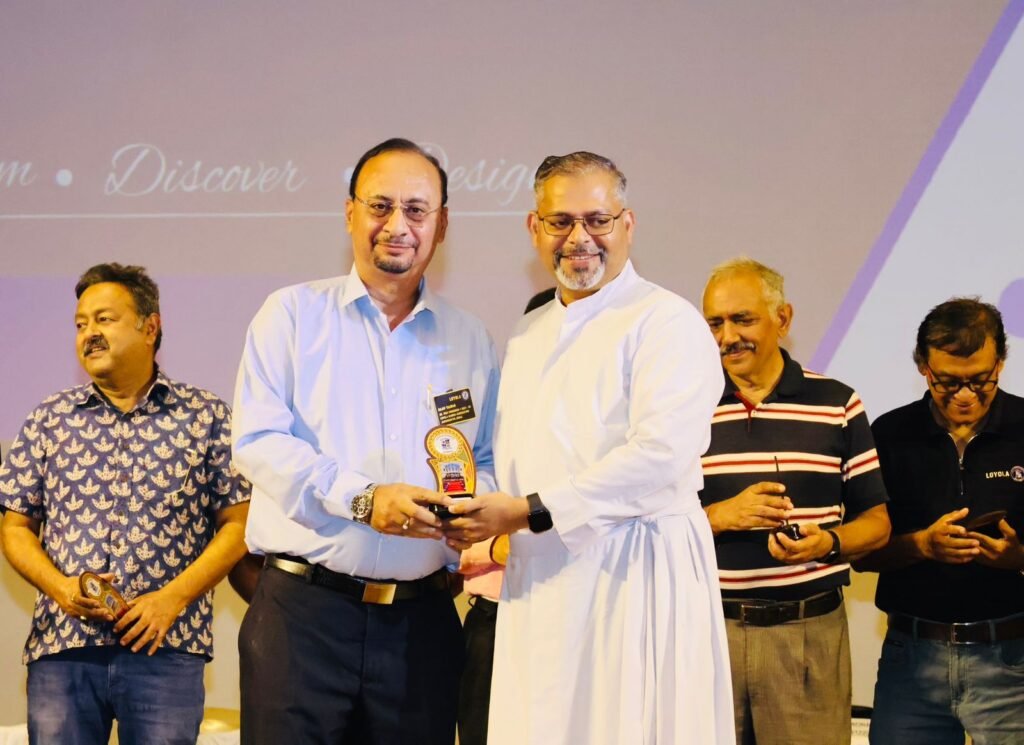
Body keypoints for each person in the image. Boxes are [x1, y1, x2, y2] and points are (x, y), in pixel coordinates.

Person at [446, 151, 734, 744]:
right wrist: (470, 508)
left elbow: (660, 455)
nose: (580, 238)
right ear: (535, 228)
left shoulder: (666, 322)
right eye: (561, 221)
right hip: (539, 578)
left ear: (628, 225)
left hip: (634, 572)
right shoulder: (529, 331)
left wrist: (529, 510)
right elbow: (512, 451)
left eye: (598, 220)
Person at [231, 137, 499, 745]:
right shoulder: (291, 315)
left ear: (442, 224)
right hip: (303, 619)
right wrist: (363, 498)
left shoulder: (470, 339)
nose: (397, 225)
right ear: (350, 213)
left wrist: (468, 513)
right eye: (380, 206)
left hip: (422, 627)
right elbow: (259, 440)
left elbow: (482, 457)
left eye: (416, 209)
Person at [0, 262, 251, 745]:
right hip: (64, 647)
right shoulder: (50, 418)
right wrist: (61, 588)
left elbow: (238, 524)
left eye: (104, 319)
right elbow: (15, 528)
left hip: (165, 647)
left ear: (150, 326)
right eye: (80, 324)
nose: (89, 333)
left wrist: (171, 599)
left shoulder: (206, 416)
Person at [699, 257, 890, 745]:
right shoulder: (683, 406)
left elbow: (877, 523)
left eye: (742, 320)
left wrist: (828, 543)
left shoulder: (837, 403)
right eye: (715, 323)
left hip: (807, 633)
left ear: (782, 318)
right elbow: (645, 522)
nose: (727, 337)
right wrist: (717, 517)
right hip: (707, 634)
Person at [856, 298, 1024, 745]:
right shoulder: (890, 434)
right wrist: (922, 546)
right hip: (911, 661)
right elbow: (861, 556)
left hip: (1013, 658)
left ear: (1001, 364)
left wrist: (1018, 558)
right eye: (947, 381)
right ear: (922, 367)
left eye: (980, 380)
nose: (965, 395)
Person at [457, 287, 553, 745]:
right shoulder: (492, 424)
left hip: (578, 619)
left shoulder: (609, 431)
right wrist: (501, 545)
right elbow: (460, 531)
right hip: (495, 620)